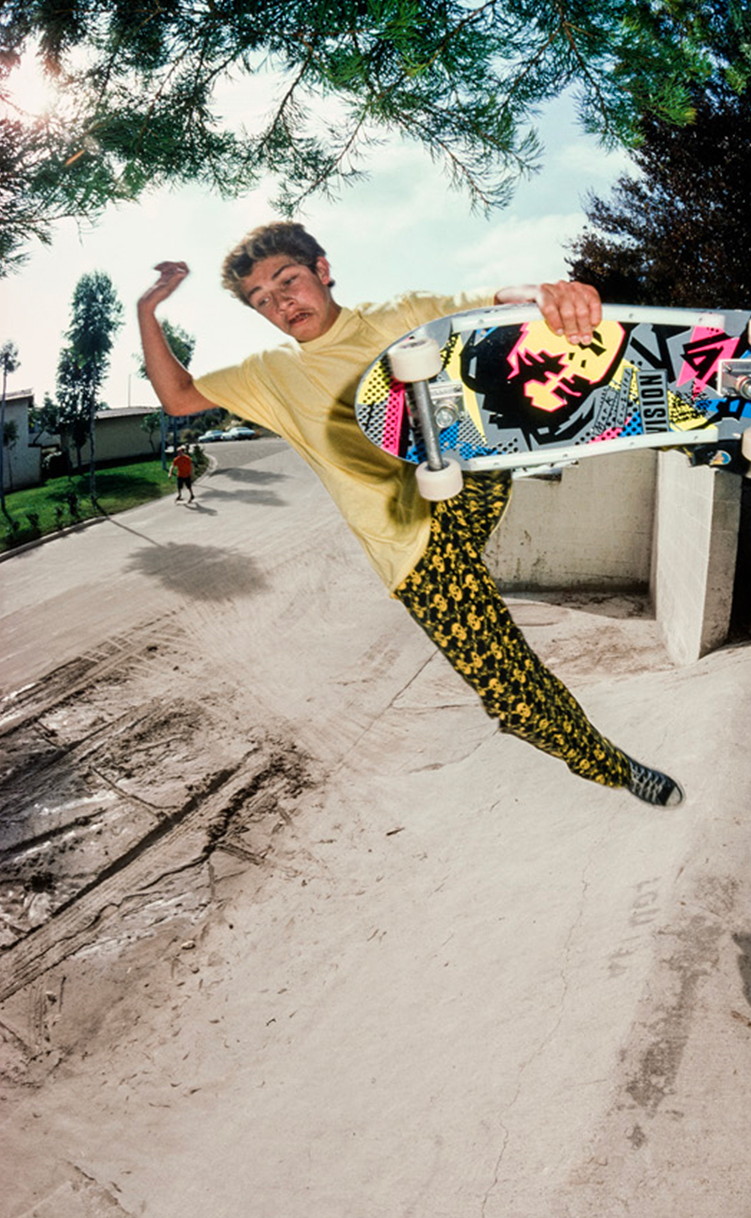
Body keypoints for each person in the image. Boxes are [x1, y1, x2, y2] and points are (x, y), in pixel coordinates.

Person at [136, 221, 683, 807]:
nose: (280, 303)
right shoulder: (271, 374)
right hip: (411, 551)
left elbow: (492, 303)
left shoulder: (401, 314)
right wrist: (148, 308)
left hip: (463, 490)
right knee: (513, 696)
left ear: (322, 270)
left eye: (287, 281)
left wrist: (549, 295)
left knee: (484, 374)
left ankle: (653, 415)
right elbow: (179, 398)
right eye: (262, 301)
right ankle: (611, 767)